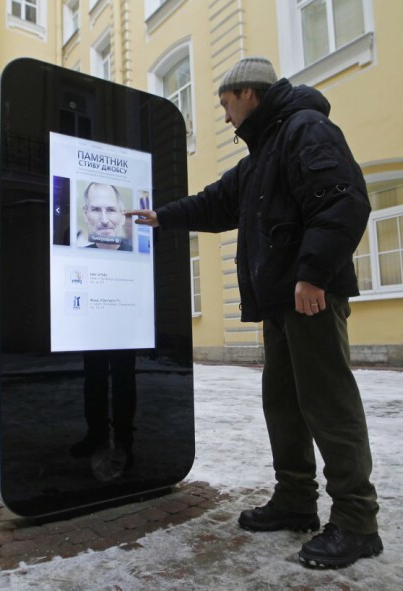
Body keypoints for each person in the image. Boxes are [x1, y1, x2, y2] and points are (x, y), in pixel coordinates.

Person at [126, 56, 382, 569]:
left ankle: (357, 522)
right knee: (284, 404)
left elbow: (344, 201)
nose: (224, 117)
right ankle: (295, 500)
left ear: (249, 94)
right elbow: (219, 202)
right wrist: (163, 217)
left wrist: (311, 274)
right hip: (283, 304)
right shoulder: (264, 153)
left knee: (329, 407)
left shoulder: (306, 129)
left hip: (309, 296)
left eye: (224, 104)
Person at [82, 183, 132, 251]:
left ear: (122, 216)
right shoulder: (79, 255)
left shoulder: (139, 258)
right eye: (96, 210)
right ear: (85, 215)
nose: (104, 220)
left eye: (111, 210)